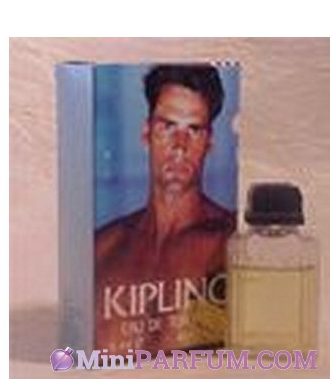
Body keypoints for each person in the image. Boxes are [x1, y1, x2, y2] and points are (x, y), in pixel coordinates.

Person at [95, 64, 235, 354]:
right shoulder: (102, 247)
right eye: (168, 126)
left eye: (194, 130)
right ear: (146, 133)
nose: (180, 146)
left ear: (209, 143)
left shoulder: (231, 244)